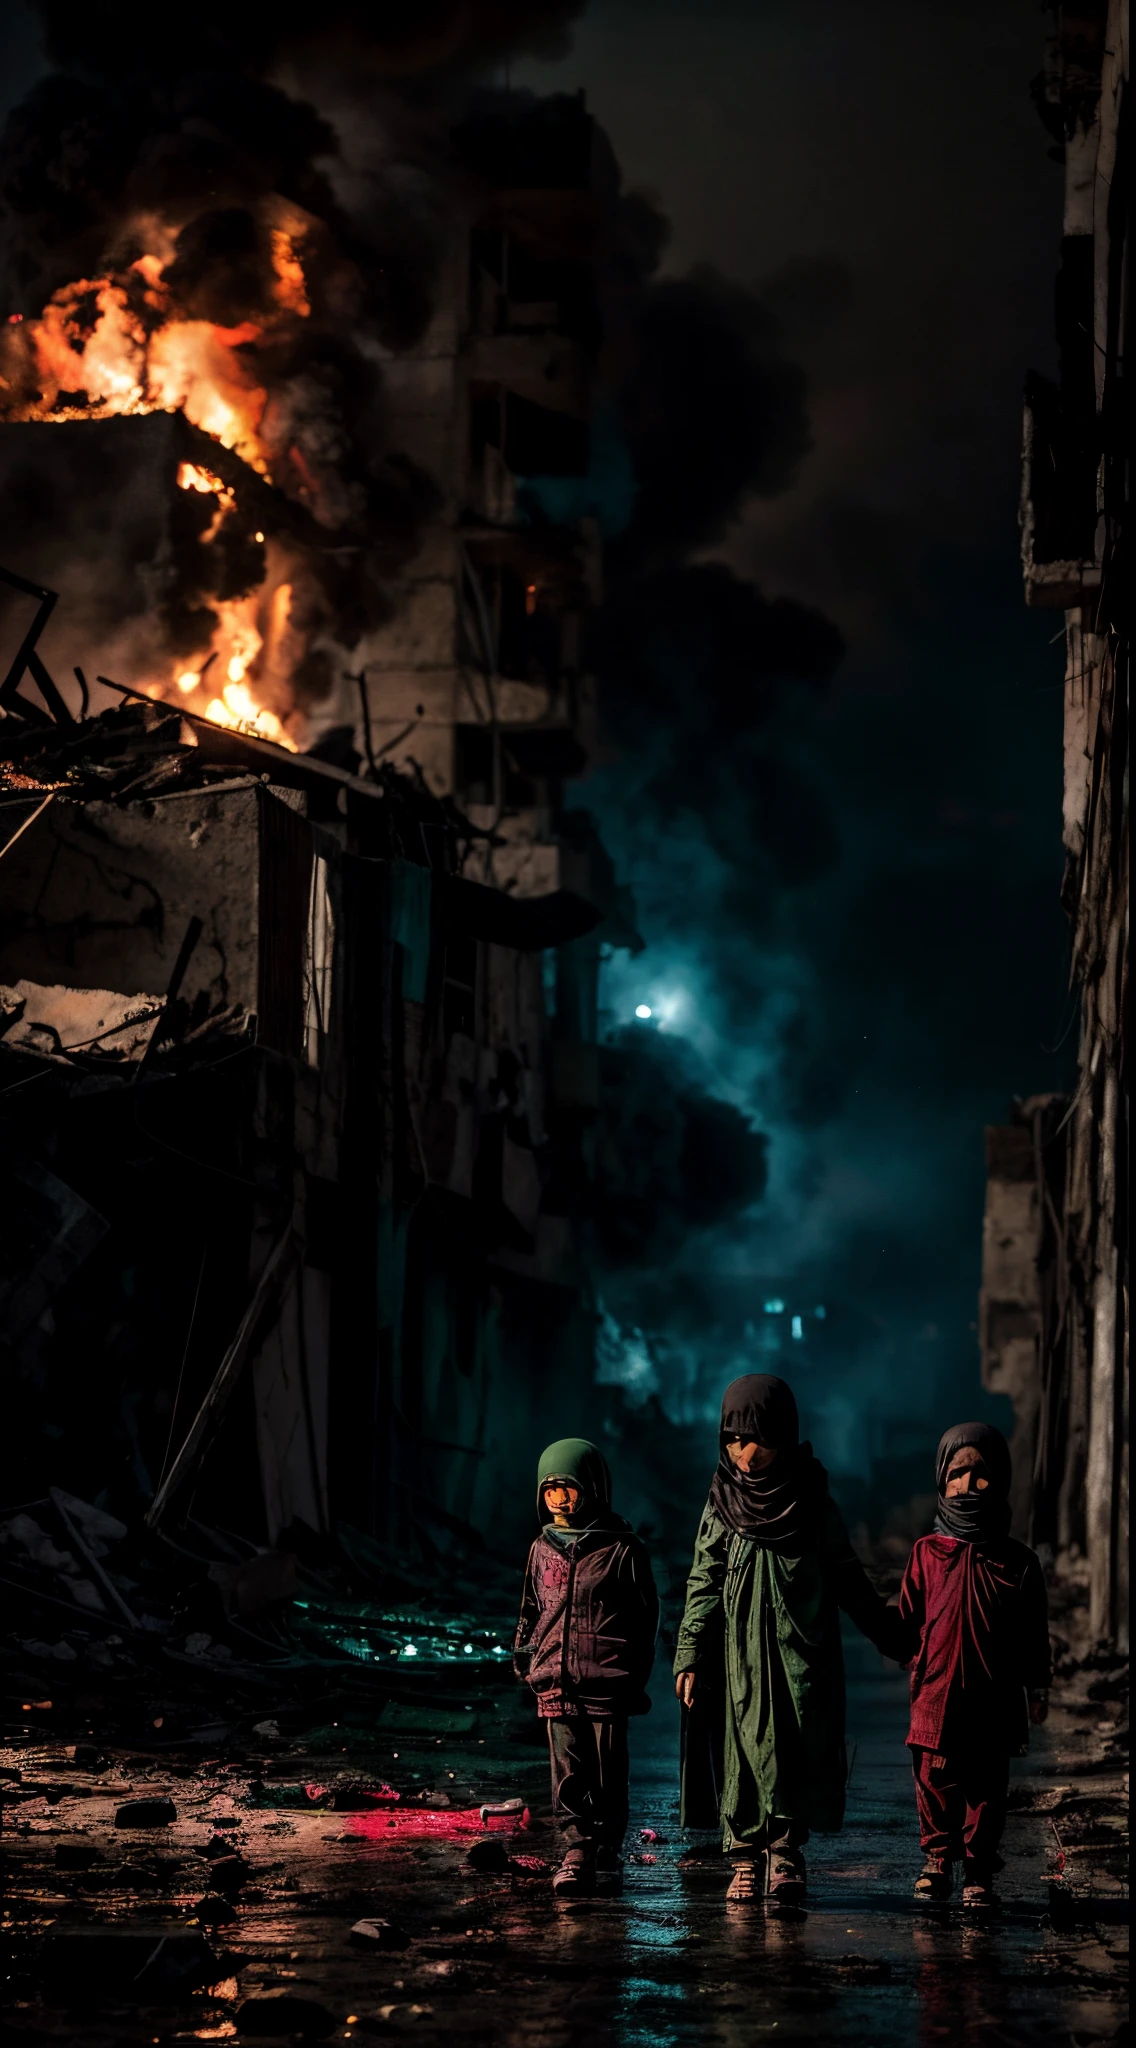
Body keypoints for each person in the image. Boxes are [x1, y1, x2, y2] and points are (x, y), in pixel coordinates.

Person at [673, 1373, 908, 1904]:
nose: (744, 1454)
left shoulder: (812, 1505)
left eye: (755, 1439)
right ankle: (745, 1858)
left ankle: (785, 1853)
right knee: (743, 1753)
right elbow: (704, 1580)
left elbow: (848, 1578)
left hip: (803, 1656)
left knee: (794, 1751)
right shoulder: (721, 1504)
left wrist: (893, 1637)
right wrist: (690, 1651)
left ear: (783, 1434)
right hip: (739, 1661)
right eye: (732, 1440)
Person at [898, 1421, 1050, 1908]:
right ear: (941, 1480)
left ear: (1000, 1482)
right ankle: (937, 1862)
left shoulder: (1019, 1562)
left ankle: (978, 1871)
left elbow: (1033, 1634)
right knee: (933, 1780)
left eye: (980, 1476)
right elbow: (905, 1620)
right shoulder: (926, 1553)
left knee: (986, 1788)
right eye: (956, 1475)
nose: (967, 1487)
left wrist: (1038, 1686)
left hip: (994, 1698)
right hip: (935, 1698)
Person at [513, 1437, 659, 1899]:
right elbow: (531, 1609)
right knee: (567, 1771)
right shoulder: (541, 1547)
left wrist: (635, 1672)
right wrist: (525, 1656)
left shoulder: (622, 1548)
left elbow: (644, 1615)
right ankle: (575, 1850)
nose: (558, 1497)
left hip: (608, 1681)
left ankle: (608, 1850)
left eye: (568, 1486)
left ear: (593, 1487)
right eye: (550, 1488)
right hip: (555, 1680)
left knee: (609, 1773)